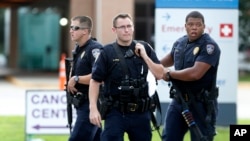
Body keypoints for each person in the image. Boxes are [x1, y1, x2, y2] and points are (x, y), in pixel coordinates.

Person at [88, 13, 164, 141]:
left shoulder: (144, 47)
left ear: (133, 28)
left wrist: (145, 56)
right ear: (114, 30)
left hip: (141, 112)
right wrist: (93, 109)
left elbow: (160, 74)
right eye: (122, 27)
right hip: (116, 113)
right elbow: (95, 81)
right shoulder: (107, 52)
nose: (126, 30)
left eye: (129, 26)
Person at [160, 11, 221, 141]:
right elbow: (168, 60)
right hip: (179, 101)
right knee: (169, 138)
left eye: (198, 25)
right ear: (185, 26)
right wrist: (149, 65)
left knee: (201, 138)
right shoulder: (180, 43)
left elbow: (195, 74)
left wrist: (170, 74)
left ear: (204, 26)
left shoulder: (210, 46)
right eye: (191, 24)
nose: (194, 27)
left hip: (201, 104)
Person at [67, 15, 102, 141]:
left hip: (90, 104)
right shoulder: (79, 48)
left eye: (75, 28)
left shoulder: (94, 49)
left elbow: (100, 75)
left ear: (85, 31)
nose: (71, 30)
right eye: (71, 27)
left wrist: (76, 79)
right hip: (81, 103)